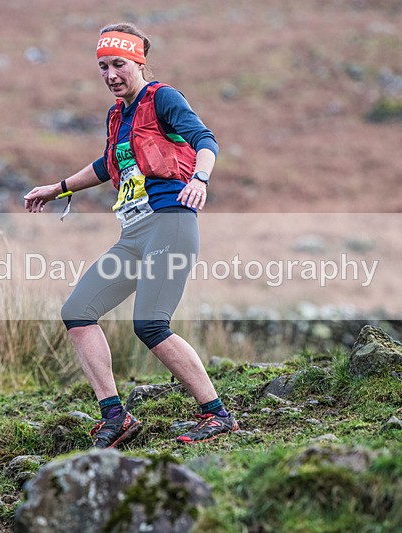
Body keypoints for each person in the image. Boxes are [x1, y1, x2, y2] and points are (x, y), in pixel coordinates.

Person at [24, 22, 238, 448]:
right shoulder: (117, 115)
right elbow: (107, 166)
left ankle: (217, 415)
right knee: (78, 312)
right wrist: (59, 188)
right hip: (133, 235)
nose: (110, 75)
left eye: (118, 64)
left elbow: (205, 139)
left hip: (170, 224)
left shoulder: (163, 98)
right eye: (103, 67)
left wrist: (200, 178)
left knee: (151, 324)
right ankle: (115, 416)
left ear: (139, 62)